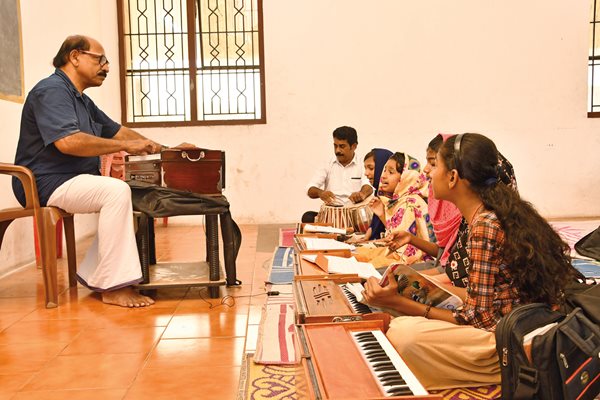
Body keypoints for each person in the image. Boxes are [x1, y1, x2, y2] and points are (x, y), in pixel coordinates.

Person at [362, 133, 575, 389]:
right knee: (399, 310)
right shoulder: (482, 216)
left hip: (508, 342)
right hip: (508, 321)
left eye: (435, 165)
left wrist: (401, 303)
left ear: (453, 177)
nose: (428, 173)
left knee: (403, 333)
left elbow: (478, 319)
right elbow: (480, 295)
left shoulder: (484, 224)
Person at [12, 35, 182, 308]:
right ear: (75, 56)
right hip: (43, 181)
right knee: (115, 191)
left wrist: (168, 150)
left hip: (72, 180)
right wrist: (127, 145)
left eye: (107, 61)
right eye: (100, 59)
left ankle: (97, 274)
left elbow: (119, 131)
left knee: (128, 192)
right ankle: (114, 287)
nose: (106, 67)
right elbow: (68, 142)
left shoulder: (81, 100)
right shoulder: (52, 91)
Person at [355, 152, 435, 267]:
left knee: (360, 261)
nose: (383, 176)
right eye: (384, 170)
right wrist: (382, 214)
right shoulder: (400, 201)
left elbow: (402, 252)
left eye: (391, 172)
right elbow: (396, 237)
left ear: (405, 177)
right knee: (357, 254)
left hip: (410, 262)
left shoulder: (410, 203)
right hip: (398, 254)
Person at [302, 126, 373, 223]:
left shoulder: (362, 163)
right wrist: (320, 193)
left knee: (372, 220)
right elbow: (310, 188)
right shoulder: (327, 163)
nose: (337, 150)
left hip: (355, 216)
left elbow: (368, 185)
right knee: (307, 217)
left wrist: (362, 194)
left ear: (354, 146)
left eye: (342, 146)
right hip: (332, 215)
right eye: (335, 146)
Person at [355, 148, 392, 241]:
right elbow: (375, 223)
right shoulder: (379, 192)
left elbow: (395, 232)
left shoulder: (397, 197)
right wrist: (365, 239)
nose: (366, 173)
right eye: (365, 168)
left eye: (371, 168)